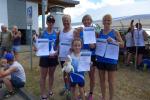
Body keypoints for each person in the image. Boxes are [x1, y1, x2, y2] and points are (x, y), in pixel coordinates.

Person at [96, 14, 124, 100]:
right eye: (105, 20)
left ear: (111, 22)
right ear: (102, 22)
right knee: (102, 81)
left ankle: (111, 98)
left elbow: (122, 45)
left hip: (111, 60)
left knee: (111, 82)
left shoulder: (115, 32)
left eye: (108, 20)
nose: (106, 22)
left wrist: (114, 41)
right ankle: (103, 97)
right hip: (100, 59)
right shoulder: (99, 32)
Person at [34, 15, 59, 100]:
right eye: (49, 21)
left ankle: (50, 90)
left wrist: (56, 52)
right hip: (44, 57)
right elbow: (37, 44)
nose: (51, 23)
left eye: (52, 22)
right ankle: (43, 94)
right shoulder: (42, 33)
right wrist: (36, 48)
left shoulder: (56, 33)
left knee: (51, 75)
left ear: (54, 23)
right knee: (43, 76)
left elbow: (58, 46)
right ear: (47, 22)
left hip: (53, 57)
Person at [75, 14, 96, 100]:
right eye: (85, 20)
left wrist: (92, 45)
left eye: (88, 20)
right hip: (82, 56)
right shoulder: (80, 31)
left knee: (91, 76)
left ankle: (90, 94)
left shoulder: (94, 31)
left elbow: (95, 46)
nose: (87, 21)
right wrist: (77, 32)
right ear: (83, 22)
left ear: (91, 21)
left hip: (91, 55)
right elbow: (76, 43)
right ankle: (82, 92)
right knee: (81, 76)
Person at [58, 14, 74, 96]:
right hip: (62, 56)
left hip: (70, 57)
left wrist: (73, 48)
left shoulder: (73, 31)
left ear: (70, 21)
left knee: (70, 74)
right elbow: (58, 42)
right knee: (64, 73)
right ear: (62, 22)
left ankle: (70, 90)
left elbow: (77, 43)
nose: (66, 22)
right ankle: (66, 87)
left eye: (67, 20)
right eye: (64, 21)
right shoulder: (60, 31)